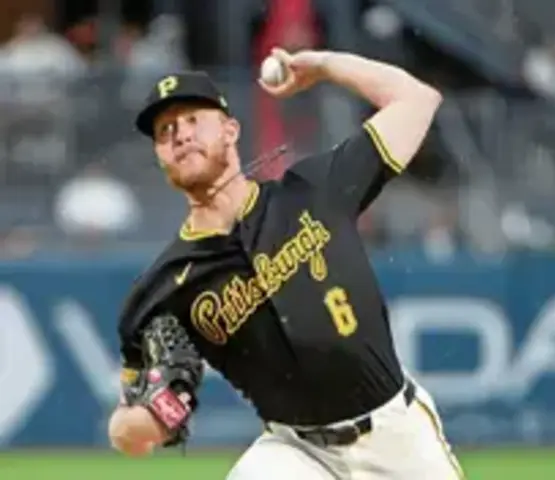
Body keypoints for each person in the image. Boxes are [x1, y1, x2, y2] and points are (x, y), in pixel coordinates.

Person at [108, 47, 463, 479]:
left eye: (193, 120)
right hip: (295, 453)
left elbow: (417, 100)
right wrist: (151, 417)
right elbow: (128, 431)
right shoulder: (161, 289)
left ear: (231, 130)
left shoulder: (314, 191)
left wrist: (325, 65)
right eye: (165, 131)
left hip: (396, 435)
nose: (180, 135)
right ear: (160, 156)